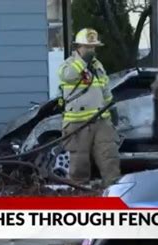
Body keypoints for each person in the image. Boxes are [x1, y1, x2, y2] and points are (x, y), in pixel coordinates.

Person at [57, 28, 121, 186]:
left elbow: (104, 88)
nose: (91, 50)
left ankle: (113, 191)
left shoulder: (98, 66)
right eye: (87, 47)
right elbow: (68, 76)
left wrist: (111, 107)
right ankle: (80, 193)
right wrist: (82, 62)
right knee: (79, 162)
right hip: (78, 123)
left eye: (93, 47)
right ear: (78, 47)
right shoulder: (68, 65)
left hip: (101, 120)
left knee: (109, 156)